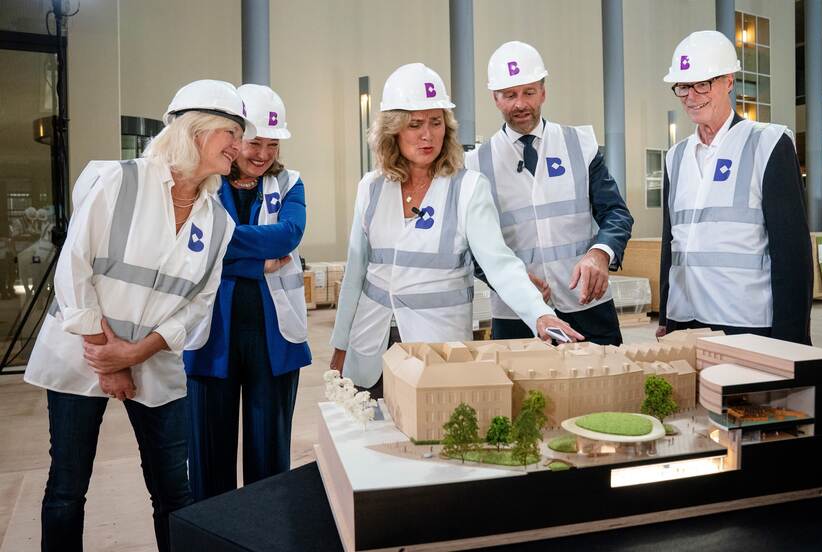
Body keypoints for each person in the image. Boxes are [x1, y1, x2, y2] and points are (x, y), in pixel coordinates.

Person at [23, 79, 250, 552]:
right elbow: (74, 268)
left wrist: (136, 353)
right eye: (232, 131)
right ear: (196, 131)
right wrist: (111, 358)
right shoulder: (120, 181)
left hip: (155, 361)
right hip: (82, 354)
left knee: (174, 494)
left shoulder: (219, 221)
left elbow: (198, 308)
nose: (239, 145)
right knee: (67, 488)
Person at [330, 63, 583, 397]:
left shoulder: (468, 189)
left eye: (436, 123)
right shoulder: (371, 188)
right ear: (393, 131)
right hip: (372, 345)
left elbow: (500, 264)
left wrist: (539, 314)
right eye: (415, 124)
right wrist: (340, 345)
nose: (428, 135)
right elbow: (355, 275)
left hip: (437, 348)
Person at [184, 84, 311, 501]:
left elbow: (288, 235)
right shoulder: (201, 183)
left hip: (272, 341)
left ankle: (268, 534)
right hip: (210, 337)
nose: (263, 155)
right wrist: (258, 264)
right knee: (209, 459)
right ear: (235, 139)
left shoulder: (290, 182)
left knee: (270, 460)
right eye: (255, 143)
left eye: (273, 145)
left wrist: (223, 248)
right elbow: (188, 244)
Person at [466, 41, 633, 346]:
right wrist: (508, 281)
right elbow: (471, 246)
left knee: (604, 390)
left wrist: (600, 254)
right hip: (517, 314)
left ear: (543, 91)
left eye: (529, 92)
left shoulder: (580, 145)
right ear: (495, 98)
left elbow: (616, 213)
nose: (520, 104)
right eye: (509, 95)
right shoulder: (476, 164)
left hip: (587, 304)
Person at [658, 31, 811, 344]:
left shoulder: (767, 144)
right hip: (685, 321)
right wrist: (666, 317)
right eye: (684, 86)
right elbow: (669, 245)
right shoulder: (676, 157)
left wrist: (791, 337)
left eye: (703, 83)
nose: (692, 95)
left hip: (747, 323)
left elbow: (792, 252)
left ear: (728, 81)